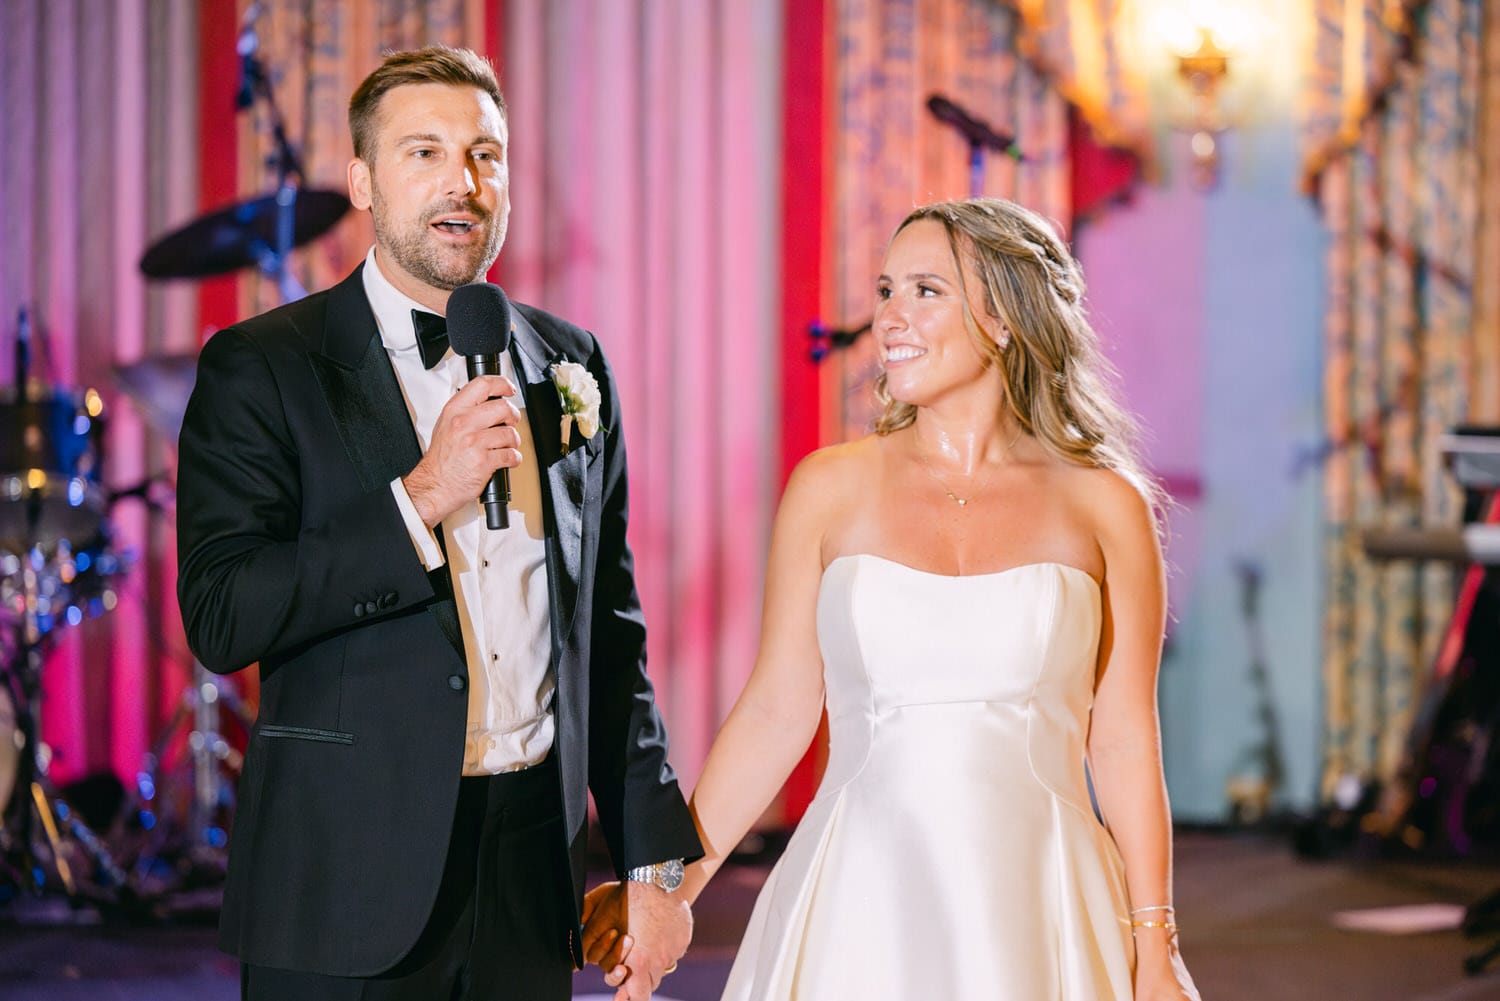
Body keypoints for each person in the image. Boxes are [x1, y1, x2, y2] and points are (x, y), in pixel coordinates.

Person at [176, 46, 699, 1001]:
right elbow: (221, 613)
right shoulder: (264, 365)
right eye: (424, 153)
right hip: (343, 877)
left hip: (531, 876)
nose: (462, 182)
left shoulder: (569, 361)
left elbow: (609, 638)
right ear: (363, 183)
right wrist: (418, 498)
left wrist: (658, 871)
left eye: (485, 154)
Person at [586, 197, 1203, 1000]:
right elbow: (776, 710)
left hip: (1040, 896)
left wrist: (1155, 944)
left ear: (1007, 317)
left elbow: (1122, 740)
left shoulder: (1106, 506)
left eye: (925, 290)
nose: (890, 318)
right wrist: (673, 890)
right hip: (858, 896)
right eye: (884, 290)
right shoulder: (828, 487)